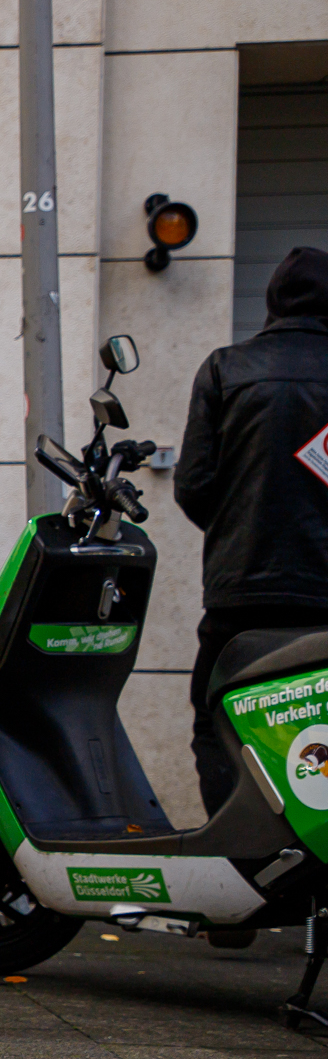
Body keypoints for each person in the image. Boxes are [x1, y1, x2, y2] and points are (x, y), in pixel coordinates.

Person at [175, 245, 328, 815]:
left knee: (220, 720)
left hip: (242, 592)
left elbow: (192, 484)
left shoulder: (227, 368)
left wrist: (238, 528)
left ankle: (241, 861)